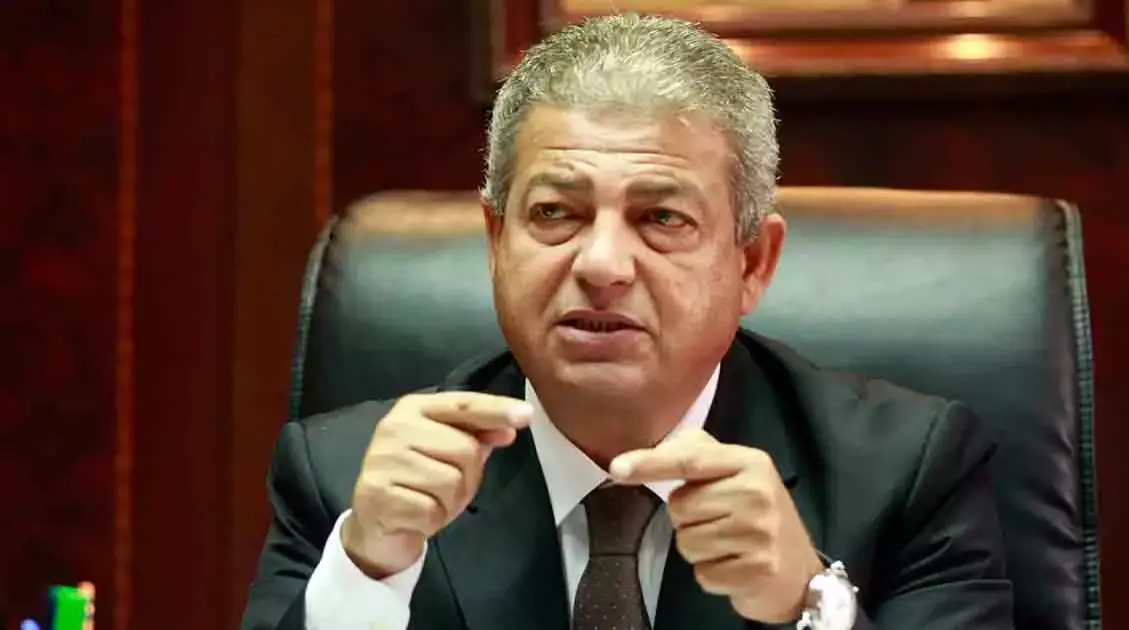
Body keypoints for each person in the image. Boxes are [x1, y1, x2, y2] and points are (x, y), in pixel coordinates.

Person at [240, 13, 1013, 630]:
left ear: (752, 263)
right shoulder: (346, 483)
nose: (602, 264)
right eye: (555, 213)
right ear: (496, 240)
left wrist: (806, 606)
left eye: (662, 218)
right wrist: (368, 571)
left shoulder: (906, 476)